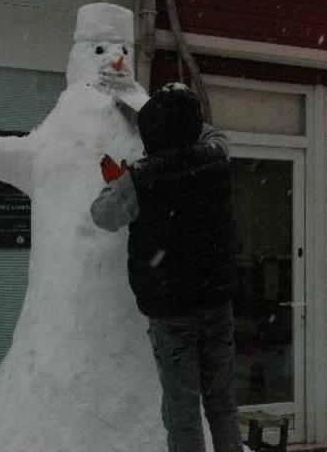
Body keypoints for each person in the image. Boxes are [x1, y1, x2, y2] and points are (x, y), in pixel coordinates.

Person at [91, 83, 243, 452]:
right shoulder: (216, 160)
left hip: (171, 310)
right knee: (223, 405)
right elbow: (216, 135)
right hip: (216, 303)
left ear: (153, 134)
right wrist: (184, 121)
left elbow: (102, 215)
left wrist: (120, 183)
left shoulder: (141, 179)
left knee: (183, 412)